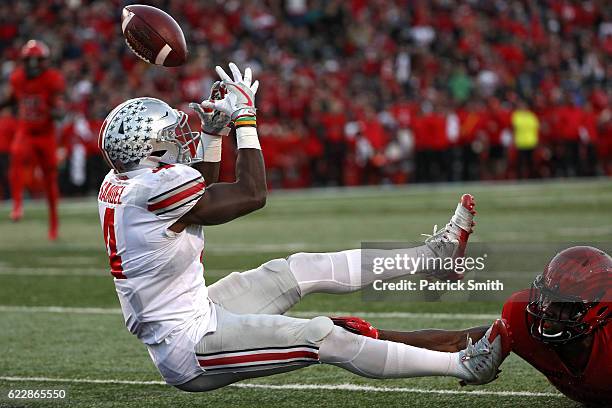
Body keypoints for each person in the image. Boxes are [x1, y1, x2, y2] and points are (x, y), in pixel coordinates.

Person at [96, 63, 510, 392]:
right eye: (170, 135)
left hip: (200, 312)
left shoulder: (123, 183)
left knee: (297, 269)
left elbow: (198, 196)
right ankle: (463, 365)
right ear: (147, 150)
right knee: (319, 335)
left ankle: (433, 256)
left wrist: (211, 134)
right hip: (189, 349)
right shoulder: (148, 191)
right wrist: (243, 120)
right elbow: (251, 193)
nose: (178, 138)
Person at [340, 246, 611, 406]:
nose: (547, 312)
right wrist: (375, 334)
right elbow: (457, 342)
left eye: (564, 304)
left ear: (599, 308)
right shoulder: (524, 318)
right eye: (546, 298)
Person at [0, 40, 65, 239]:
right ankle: (17, 205)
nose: (34, 65)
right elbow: (11, 99)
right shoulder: (17, 78)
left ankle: (53, 225)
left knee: (49, 179)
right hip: (26, 131)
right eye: (30, 60)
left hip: (46, 134)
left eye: (38, 60)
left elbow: (60, 109)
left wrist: (54, 112)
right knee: (17, 155)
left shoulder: (52, 79)